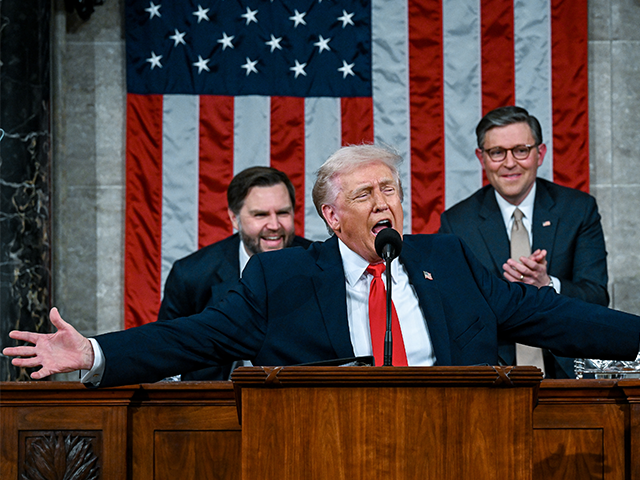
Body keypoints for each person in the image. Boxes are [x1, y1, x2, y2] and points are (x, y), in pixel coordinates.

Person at [4, 144, 640, 389]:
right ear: (333, 217)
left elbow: (549, 316)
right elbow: (193, 336)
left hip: (456, 444)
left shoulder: (449, 259)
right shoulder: (285, 278)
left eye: (389, 190)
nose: (382, 203)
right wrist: (91, 352)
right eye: (363, 196)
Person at [439, 106, 608, 378]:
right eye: (497, 152)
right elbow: (452, 311)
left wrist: (547, 285)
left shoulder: (578, 210)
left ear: (539, 154)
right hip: (493, 375)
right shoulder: (457, 223)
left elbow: (597, 296)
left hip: (568, 374)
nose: (509, 163)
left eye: (521, 150)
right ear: (481, 158)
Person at [158, 166, 312, 380]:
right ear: (234, 218)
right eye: (260, 215)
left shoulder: (320, 265)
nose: (274, 225)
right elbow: (167, 352)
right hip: (214, 401)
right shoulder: (191, 274)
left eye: (283, 213)